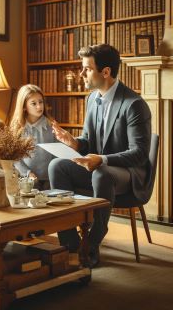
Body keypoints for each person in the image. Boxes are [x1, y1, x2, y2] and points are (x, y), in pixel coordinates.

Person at [49, 44, 152, 268]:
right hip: (99, 168)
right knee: (57, 165)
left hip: (128, 173)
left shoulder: (134, 104)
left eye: (86, 69)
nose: (82, 73)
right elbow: (89, 142)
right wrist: (74, 142)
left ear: (105, 72)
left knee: (102, 174)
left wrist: (102, 159)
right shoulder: (92, 99)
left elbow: (140, 154)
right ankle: (70, 241)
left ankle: (93, 240)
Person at [10, 84, 58, 190]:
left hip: (49, 179)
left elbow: (58, 152)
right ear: (24, 107)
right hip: (25, 179)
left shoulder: (51, 125)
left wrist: (53, 174)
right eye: (34, 103)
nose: (39, 107)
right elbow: (14, 157)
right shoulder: (17, 128)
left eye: (41, 102)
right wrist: (28, 173)